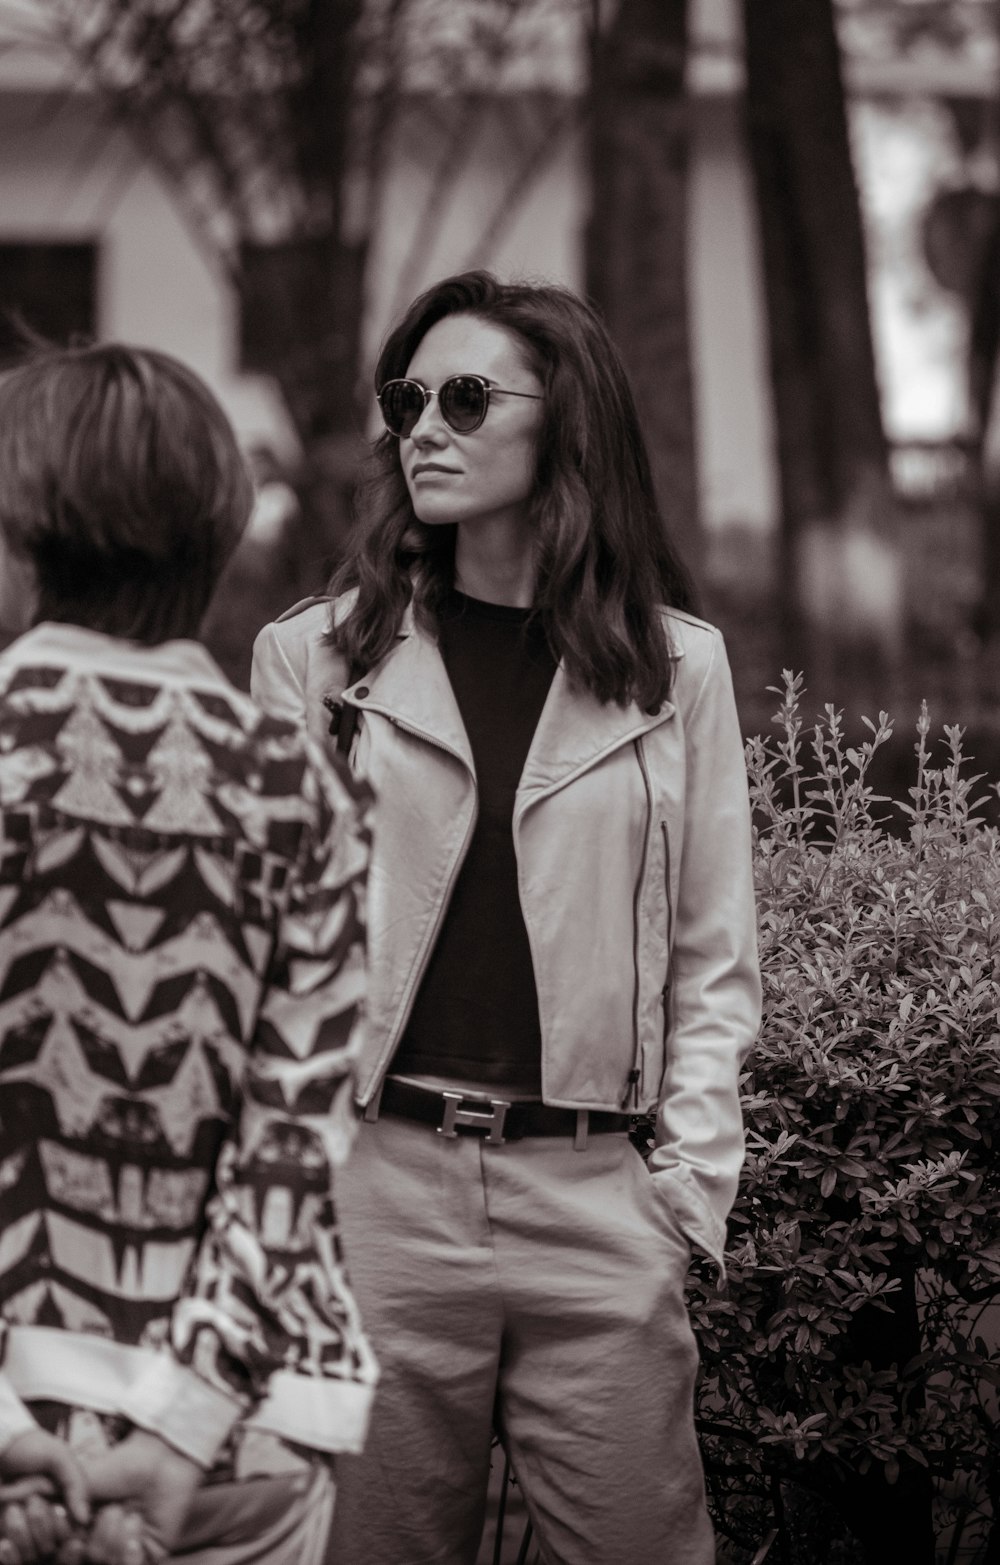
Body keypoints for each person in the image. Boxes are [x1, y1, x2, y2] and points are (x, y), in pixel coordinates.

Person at [251, 270, 761, 1565]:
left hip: (594, 1196)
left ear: (569, 423)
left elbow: (715, 953)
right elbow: (261, 956)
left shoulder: (675, 667)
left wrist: (683, 1195)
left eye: (468, 398)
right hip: (380, 1197)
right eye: (406, 398)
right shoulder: (316, 663)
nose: (425, 425)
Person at [0, 343, 376, 1564]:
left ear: (23, 522)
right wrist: (177, 1425)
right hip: (240, 1441)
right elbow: (293, 1139)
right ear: (217, 531)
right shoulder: (299, 790)